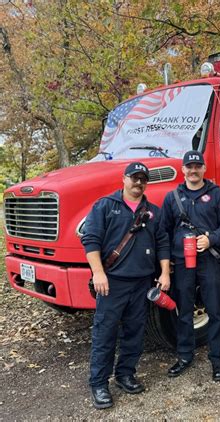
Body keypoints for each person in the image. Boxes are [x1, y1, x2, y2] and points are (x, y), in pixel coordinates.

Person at [81, 162, 171, 409]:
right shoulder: (105, 206)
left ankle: (125, 374)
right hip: (112, 283)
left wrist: (165, 272)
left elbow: (163, 243)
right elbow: (91, 240)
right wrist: (98, 273)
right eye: (134, 177)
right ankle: (99, 384)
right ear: (124, 179)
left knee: (134, 332)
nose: (138, 182)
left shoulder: (153, 212)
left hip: (142, 283)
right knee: (105, 333)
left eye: (143, 179)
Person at [161, 151, 220, 381]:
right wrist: (167, 262)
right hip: (182, 262)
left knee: (215, 310)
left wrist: (211, 239)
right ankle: (184, 356)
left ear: (204, 168)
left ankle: (217, 358)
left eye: (197, 166)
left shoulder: (218, 195)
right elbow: (163, 231)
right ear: (183, 169)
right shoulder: (172, 197)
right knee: (184, 310)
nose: (193, 170)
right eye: (189, 166)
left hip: (210, 260)